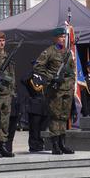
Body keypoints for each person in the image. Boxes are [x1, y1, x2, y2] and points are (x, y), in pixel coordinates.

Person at [33, 27, 75, 155]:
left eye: (64, 37)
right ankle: (55, 144)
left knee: (63, 116)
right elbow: (37, 67)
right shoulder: (49, 52)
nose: (63, 39)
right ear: (55, 38)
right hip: (55, 90)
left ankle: (62, 143)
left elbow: (71, 69)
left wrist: (71, 84)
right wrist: (51, 78)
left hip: (67, 89)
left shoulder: (67, 52)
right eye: (61, 37)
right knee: (55, 116)